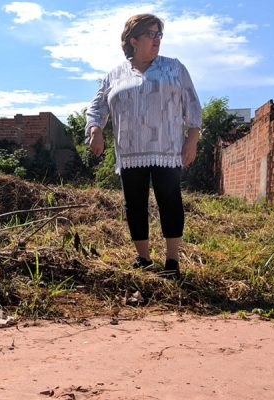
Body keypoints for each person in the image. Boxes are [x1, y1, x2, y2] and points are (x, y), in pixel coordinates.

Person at [85, 13, 202, 279]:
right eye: (151, 34)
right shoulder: (115, 74)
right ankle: (144, 259)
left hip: (167, 147)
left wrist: (191, 139)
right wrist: (95, 130)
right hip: (130, 150)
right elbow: (96, 107)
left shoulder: (174, 68)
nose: (157, 39)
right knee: (134, 204)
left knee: (170, 201)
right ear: (133, 40)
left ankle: (172, 262)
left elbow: (193, 105)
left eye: (159, 34)